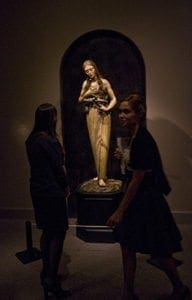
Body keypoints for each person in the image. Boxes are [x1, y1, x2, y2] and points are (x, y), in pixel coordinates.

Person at [106, 97, 190, 300]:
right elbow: (137, 166)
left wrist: (120, 211)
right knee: (127, 246)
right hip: (139, 200)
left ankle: (180, 288)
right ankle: (128, 292)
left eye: (126, 111)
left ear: (139, 113)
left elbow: (137, 179)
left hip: (146, 202)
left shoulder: (142, 139)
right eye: (120, 112)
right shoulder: (135, 136)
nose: (121, 115)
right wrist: (125, 156)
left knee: (160, 252)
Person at [25, 103, 71, 299]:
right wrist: (66, 185)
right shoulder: (49, 141)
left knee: (46, 231)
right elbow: (58, 168)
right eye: (55, 116)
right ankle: (51, 280)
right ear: (51, 119)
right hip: (52, 191)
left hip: (37, 190)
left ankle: (46, 272)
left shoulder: (31, 139)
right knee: (58, 233)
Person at [78, 59, 117, 187]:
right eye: (86, 71)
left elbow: (114, 99)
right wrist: (88, 92)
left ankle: (102, 177)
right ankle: (101, 174)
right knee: (95, 143)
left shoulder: (104, 82)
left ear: (95, 68)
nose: (89, 72)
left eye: (91, 69)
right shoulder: (85, 84)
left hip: (103, 113)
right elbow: (80, 99)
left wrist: (107, 108)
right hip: (91, 114)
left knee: (103, 143)